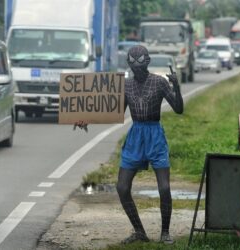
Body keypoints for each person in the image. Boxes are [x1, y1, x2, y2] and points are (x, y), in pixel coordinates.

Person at [75, 45, 183, 244]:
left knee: (164, 188)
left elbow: (178, 109)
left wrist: (176, 87)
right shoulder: (126, 85)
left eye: (140, 66)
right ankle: (139, 231)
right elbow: (112, 111)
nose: (137, 71)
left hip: (155, 135)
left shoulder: (159, 82)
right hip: (135, 136)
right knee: (122, 187)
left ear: (147, 63)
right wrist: (85, 118)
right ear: (130, 66)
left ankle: (165, 232)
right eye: (134, 67)